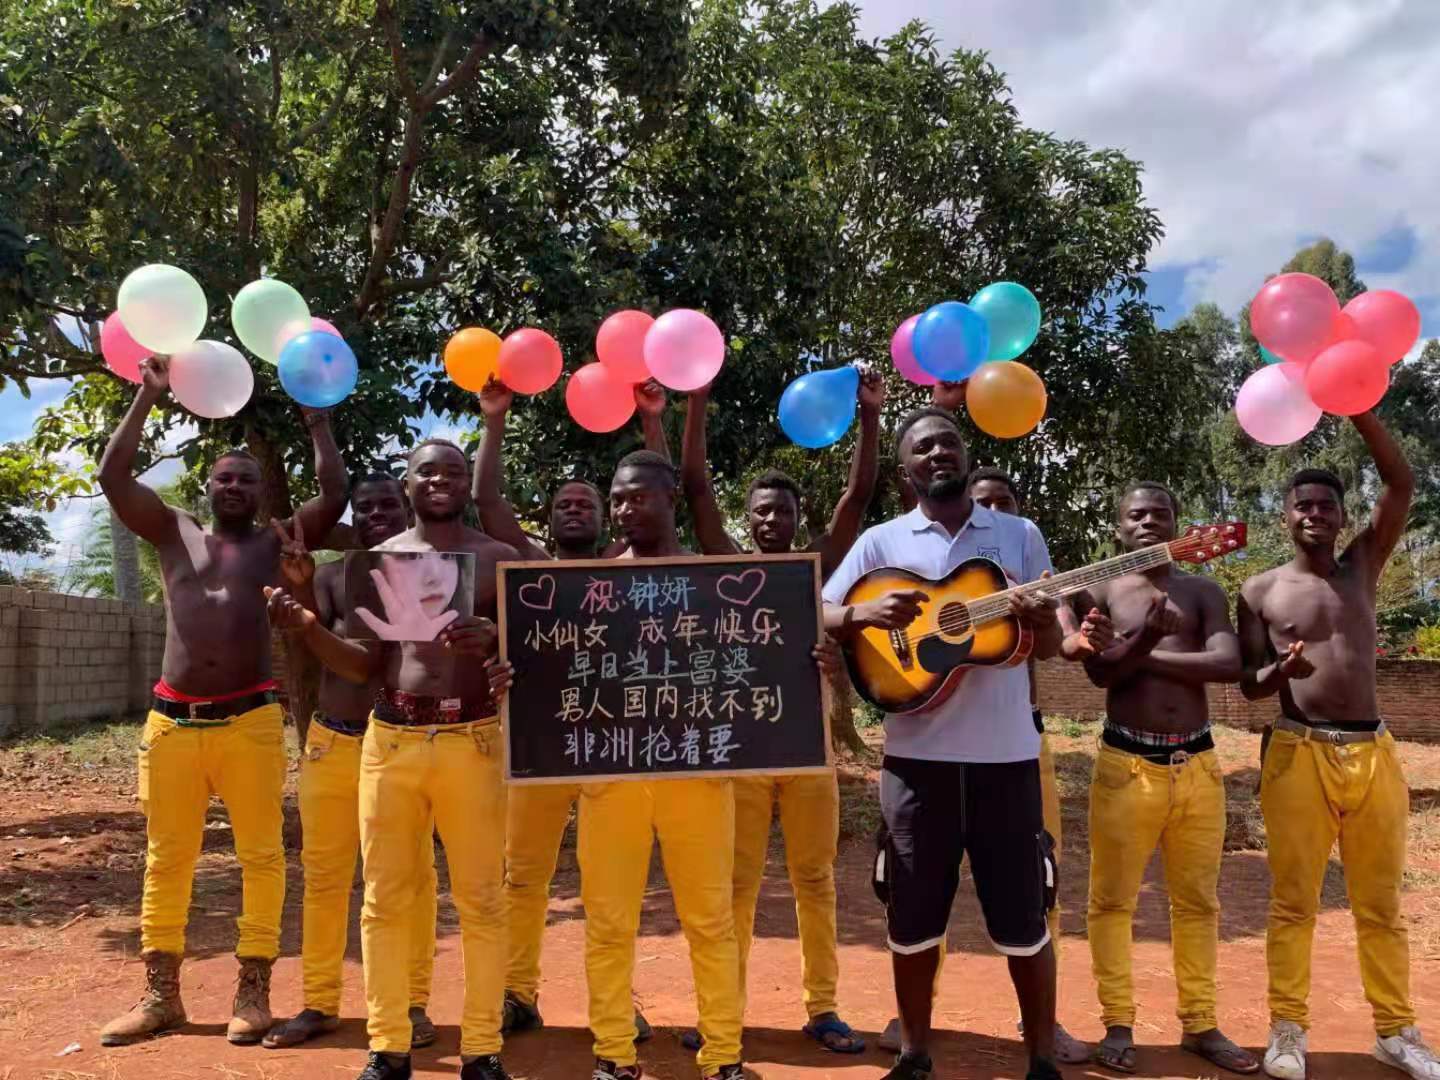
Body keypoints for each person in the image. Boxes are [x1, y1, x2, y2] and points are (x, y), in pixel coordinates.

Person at [97, 357, 346, 1047]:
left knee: (262, 858)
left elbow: (335, 491)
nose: (233, 485)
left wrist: (318, 421)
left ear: (262, 492)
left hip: (251, 720)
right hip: (171, 722)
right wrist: (147, 394)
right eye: (223, 477)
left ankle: (253, 990)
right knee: (166, 857)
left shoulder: (277, 544)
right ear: (208, 487)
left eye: (246, 479)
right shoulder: (173, 531)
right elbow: (114, 478)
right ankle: (160, 995)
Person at [490, 449, 755, 1080]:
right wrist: (509, 677)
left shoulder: (714, 578)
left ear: (670, 501)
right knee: (608, 921)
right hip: (610, 778)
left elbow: (768, 649)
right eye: (619, 498)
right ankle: (613, 1055)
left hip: (697, 773)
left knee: (710, 921)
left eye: (639, 496)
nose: (626, 508)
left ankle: (724, 1056)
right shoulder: (590, 585)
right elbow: (549, 667)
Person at [822, 406, 1065, 1080]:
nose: (937, 453)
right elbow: (819, 606)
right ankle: (914, 1053)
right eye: (923, 447)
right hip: (915, 764)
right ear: (907, 469)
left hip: (1007, 760)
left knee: (1024, 917)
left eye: (947, 442)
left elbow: (1051, 643)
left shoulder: (1019, 533)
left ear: (963, 453)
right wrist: (859, 613)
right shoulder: (881, 541)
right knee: (912, 914)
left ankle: (1042, 1060)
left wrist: (1043, 619)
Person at [267, 438, 516, 1080]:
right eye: (426, 471)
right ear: (408, 484)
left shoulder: (501, 561)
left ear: (468, 483)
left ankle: (483, 1050)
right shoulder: (376, 562)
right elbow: (363, 663)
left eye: (453, 471)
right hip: (392, 738)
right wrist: (307, 627)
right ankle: (389, 1047)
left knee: (483, 900)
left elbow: (543, 653)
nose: (440, 480)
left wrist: (498, 640)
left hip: (473, 739)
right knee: (383, 898)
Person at [675, 372, 883, 1055]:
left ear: (798, 519)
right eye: (761, 511)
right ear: (749, 516)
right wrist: (697, 396)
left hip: (808, 753)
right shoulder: (725, 563)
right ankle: (721, 1011)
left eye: (783, 512)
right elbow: (697, 488)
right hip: (740, 755)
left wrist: (870, 416)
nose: (771, 521)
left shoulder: (817, 568)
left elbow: (857, 497)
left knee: (814, 880)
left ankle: (822, 1008)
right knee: (733, 886)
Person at [1238, 413, 1440, 1080]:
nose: (1315, 513)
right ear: (1286, 515)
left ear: (1342, 515)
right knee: (1294, 902)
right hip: (1297, 754)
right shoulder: (1258, 590)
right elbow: (1248, 685)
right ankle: (1288, 1030)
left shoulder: (1362, 564)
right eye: (1304, 504)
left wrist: (1359, 409)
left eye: (1327, 504)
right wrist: (1278, 673)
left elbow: (1402, 481)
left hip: (1375, 753)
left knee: (1380, 904)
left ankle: (1394, 1030)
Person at [472, 378, 661, 1041]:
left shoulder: (626, 563)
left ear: (607, 518)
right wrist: (494, 419)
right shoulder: (529, 567)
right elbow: (487, 499)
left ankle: (617, 1002)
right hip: (537, 741)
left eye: (587, 502)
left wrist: (652, 421)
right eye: (564, 504)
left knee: (611, 884)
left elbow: (664, 495)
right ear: (549, 522)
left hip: (613, 743)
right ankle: (515, 993)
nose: (575, 509)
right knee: (523, 875)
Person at [1055, 482, 1257, 1075]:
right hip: (1126, 764)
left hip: (1198, 765)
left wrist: (1137, 650)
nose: (1148, 522)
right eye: (1135, 515)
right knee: (1111, 902)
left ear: (1178, 524)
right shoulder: (1100, 588)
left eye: (1160, 514)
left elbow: (1226, 664)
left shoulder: (1201, 591)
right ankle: (1118, 1021)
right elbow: (1100, 676)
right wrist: (1141, 636)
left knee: (1198, 903)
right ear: (1119, 527)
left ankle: (1200, 1024)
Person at [262, 475, 440, 1051]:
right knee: (325, 876)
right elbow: (315, 641)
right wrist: (301, 594)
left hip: (401, 745)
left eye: (389, 504)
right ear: (353, 519)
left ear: (408, 508)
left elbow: (389, 665)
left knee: (408, 879)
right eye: (365, 508)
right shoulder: (335, 575)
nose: (377, 514)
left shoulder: (434, 577)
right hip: (333, 742)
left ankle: (411, 1004)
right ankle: (319, 1002)